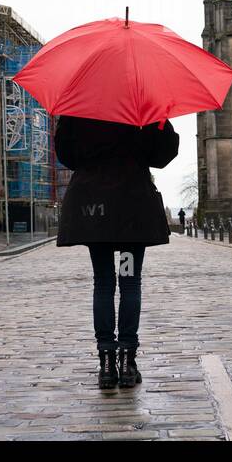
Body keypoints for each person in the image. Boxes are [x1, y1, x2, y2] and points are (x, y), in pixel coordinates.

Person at [55, 114, 179, 390]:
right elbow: (162, 154)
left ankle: (107, 364)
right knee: (129, 282)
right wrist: (157, 120)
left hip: (94, 209)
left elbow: (67, 156)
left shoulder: (79, 106)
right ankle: (126, 361)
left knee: (104, 283)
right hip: (131, 212)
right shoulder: (141, 105)